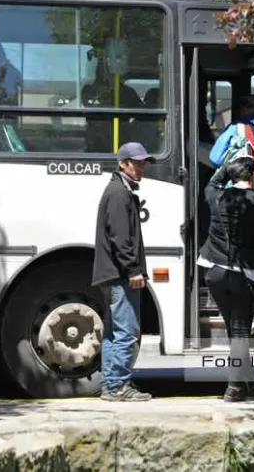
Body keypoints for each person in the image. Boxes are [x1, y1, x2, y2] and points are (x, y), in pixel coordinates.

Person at [198, 156, 254, 401]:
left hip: (214, 272)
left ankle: (248, 377)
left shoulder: (217, 196)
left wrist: (227, 166)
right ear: (253, 177)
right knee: (241, 329)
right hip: (245, 273)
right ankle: (235, 386)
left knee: (234, 327)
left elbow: (212, 182)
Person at [93, 141, 153, 401]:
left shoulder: (120, 190)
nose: (141, 167)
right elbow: (120, 238)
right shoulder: (119, 193)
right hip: (120, 274)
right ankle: (118, 386)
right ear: (123, 163)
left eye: (143, 163)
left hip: (112, 273)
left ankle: (111, 384)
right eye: (136, 163)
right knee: (127, 331)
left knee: (113, 332)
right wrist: (133, 270)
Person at [209, 94, 254, 189]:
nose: (241, 107)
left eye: (246, 105)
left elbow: (215, 158)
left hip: (244, 191)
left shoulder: (236, 128)